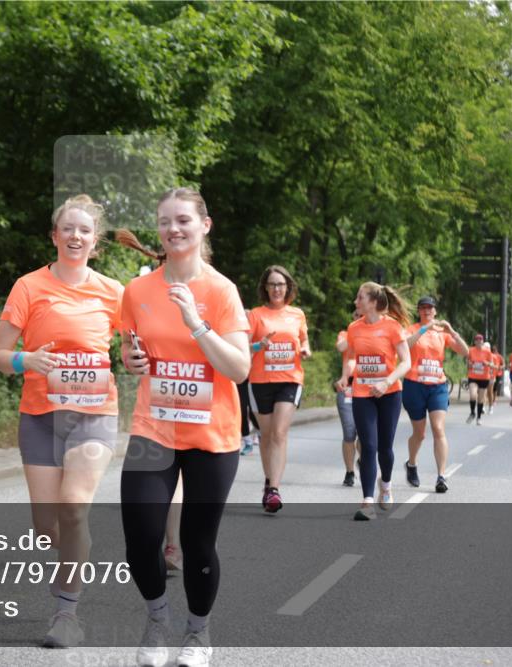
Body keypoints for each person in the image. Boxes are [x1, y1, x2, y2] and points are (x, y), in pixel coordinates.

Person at [117, 187, 251, 667]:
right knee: (139, 534)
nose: (173, 230)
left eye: (183, 221)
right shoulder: (138, 291)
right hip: (154, 427)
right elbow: (133, 350)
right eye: (165, 222)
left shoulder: (221, 291)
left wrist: (196, 322)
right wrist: (131, 359)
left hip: (211, 436)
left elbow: (238, 369)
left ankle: (198, 633)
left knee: (197, 542)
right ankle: (157, 622)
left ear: (204, 227)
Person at [0, 194, 123, 648]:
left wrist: (140, 359)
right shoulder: (29, 287)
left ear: (95, 241)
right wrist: (28, 360)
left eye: (84, 230)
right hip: (40, 416)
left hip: (94, 414)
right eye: (68, 228)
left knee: (73, 507)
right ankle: (76, 549)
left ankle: (67, 613)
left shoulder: (113, 292)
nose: (75, 236)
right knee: (48, 527)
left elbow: (142, 344)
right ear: (54, 235)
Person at [335, 282, 412, 521]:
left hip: (389, 393)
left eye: (360, 297)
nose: (356, 301)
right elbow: (350, 359)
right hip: (362, 393)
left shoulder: (392, 327)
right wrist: (346, 376)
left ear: (373, 302)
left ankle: (386, 485)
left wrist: (386, 382)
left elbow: (406, 362)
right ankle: (367, 501)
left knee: (385, 448)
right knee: (368, 446)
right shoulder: (354, 328)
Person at [246, 266, 310, 513]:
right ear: (265, 288)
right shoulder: (255, 315)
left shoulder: (297, 314)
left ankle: (274, 489)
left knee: (280, 433)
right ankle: (269, 479)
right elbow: (243, 346)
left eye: (281, 284)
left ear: (288, 287)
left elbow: (303, 339)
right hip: (261, 380)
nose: (276, 289)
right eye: (272, 284)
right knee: (267, 434)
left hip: (290, 379)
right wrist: (258, 345)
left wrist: (305, 349)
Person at [401, 296, 468, 495]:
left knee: (438, 428)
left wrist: (452, 331)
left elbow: (465, 351)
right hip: (414, 385)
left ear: (435, 311)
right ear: (419, 311)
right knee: (420, 434)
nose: (426, 311)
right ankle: (412, 464)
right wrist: (424, 329)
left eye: (430, 308)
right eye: (423, 308)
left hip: (437, 385)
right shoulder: (412, 329)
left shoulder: (442, 332)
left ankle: (441, 476)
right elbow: (405, 345)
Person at [335, 310, 363, 486]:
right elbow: (341, 347)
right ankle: (350, 472)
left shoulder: (375, 334)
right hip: (348, 387)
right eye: (357, 317)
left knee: (366, 434)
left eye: (363, 317)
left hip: (368, 388)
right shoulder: (346, 334)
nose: (360, 319)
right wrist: (356, 332)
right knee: (349, 432)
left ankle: (363, 457)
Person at [465, 334, 493, 425]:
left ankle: (479, 418)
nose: (478, 342)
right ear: (475, 342)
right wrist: (470, 364)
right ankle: (472, 412)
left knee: (481, 399)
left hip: (484, 377)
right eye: (477, 340)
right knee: (473, 395)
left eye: (480, 340)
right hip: (473, 376)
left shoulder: (488, 352)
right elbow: (467, 363)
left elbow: (492, 365)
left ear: (482, 342)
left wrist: (487, 363)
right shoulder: (471, 350)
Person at [487, 343, 504, 414]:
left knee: (495, 388)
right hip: (491, 374)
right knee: (491, 389)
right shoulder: (490, 355)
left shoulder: (499, 356)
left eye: (494, 349)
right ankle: (491, 402)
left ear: (496, 350)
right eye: (492, 349)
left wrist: (500, 367)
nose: (493, 350)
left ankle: (494, 400)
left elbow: (503, 364)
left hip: (498, 374)